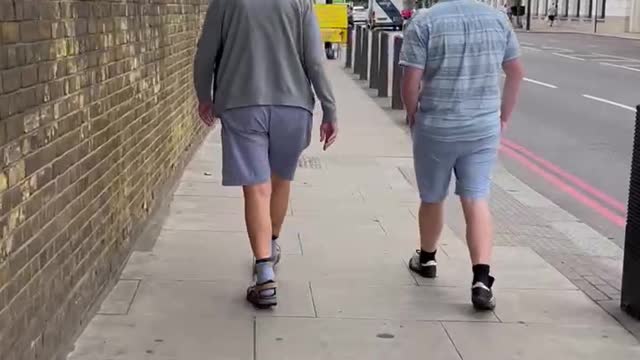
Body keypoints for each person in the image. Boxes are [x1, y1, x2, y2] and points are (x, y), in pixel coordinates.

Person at [193, 0, 338, 309]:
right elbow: (314, 59)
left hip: (241, 103)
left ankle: (264, 275)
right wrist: (329, 109)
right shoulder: (301, 2)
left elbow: (206, 53)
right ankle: (271, 245)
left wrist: (204, 96)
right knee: (281, 181)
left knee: (257, 189)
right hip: (293, 106)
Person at [399, 0, 524, 310]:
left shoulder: (425, 21)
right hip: (482, 127)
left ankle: (427, 259)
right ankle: (481, 278)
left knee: (432, 197)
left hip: (436, 126)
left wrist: (413, 115)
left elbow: (410, 80)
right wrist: (503, 117)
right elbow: (516, 72)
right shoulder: (498, 20)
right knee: (476, 197)